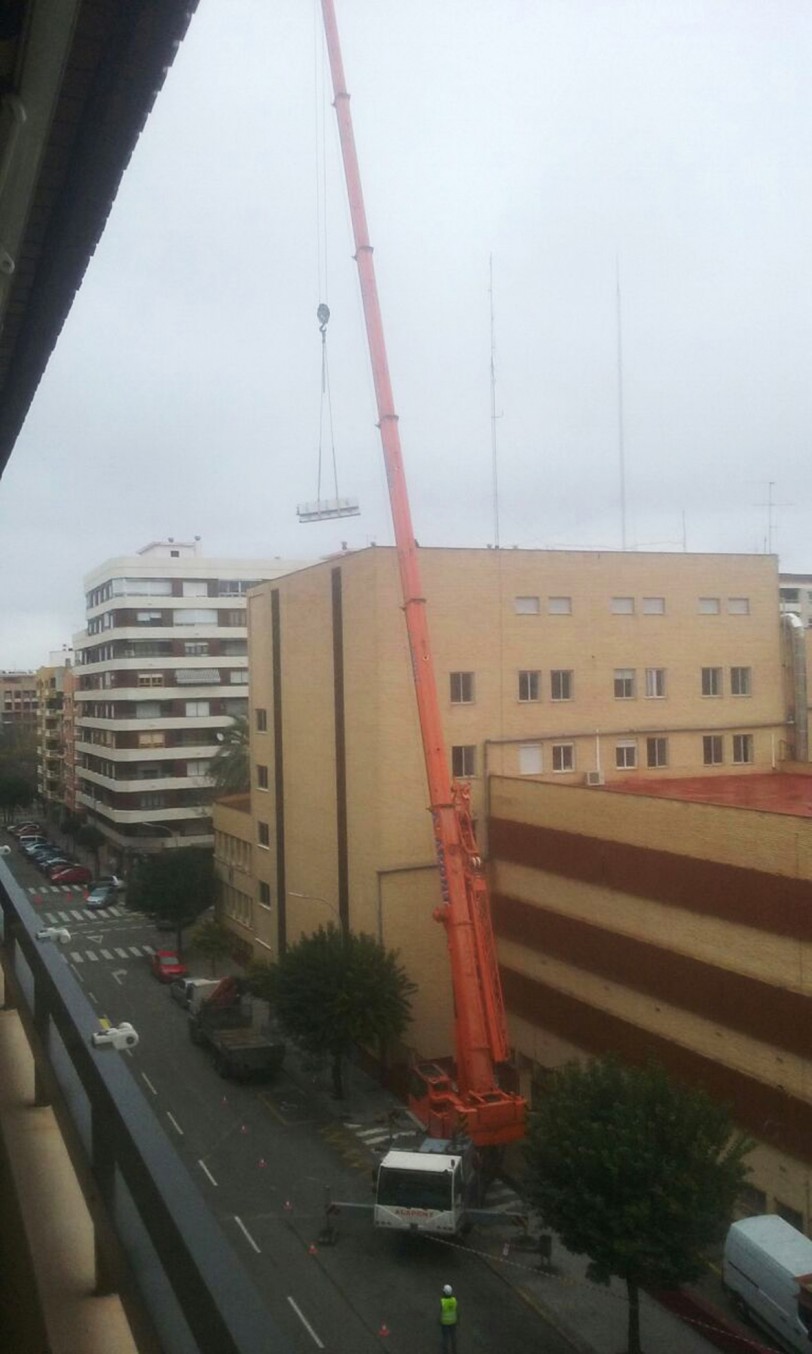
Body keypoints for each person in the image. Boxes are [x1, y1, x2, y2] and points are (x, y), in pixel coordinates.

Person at [439, 1283, 459, 1352]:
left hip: (445, 1322)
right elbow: (457, 1310)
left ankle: (445, 1350)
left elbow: (441, 1311)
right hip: (453, 1321)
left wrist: (439, 1320)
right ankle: (454, 1349)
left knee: (445, 1337)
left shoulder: (443, 1302)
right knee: (453, 1336)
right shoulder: (454, 1300)